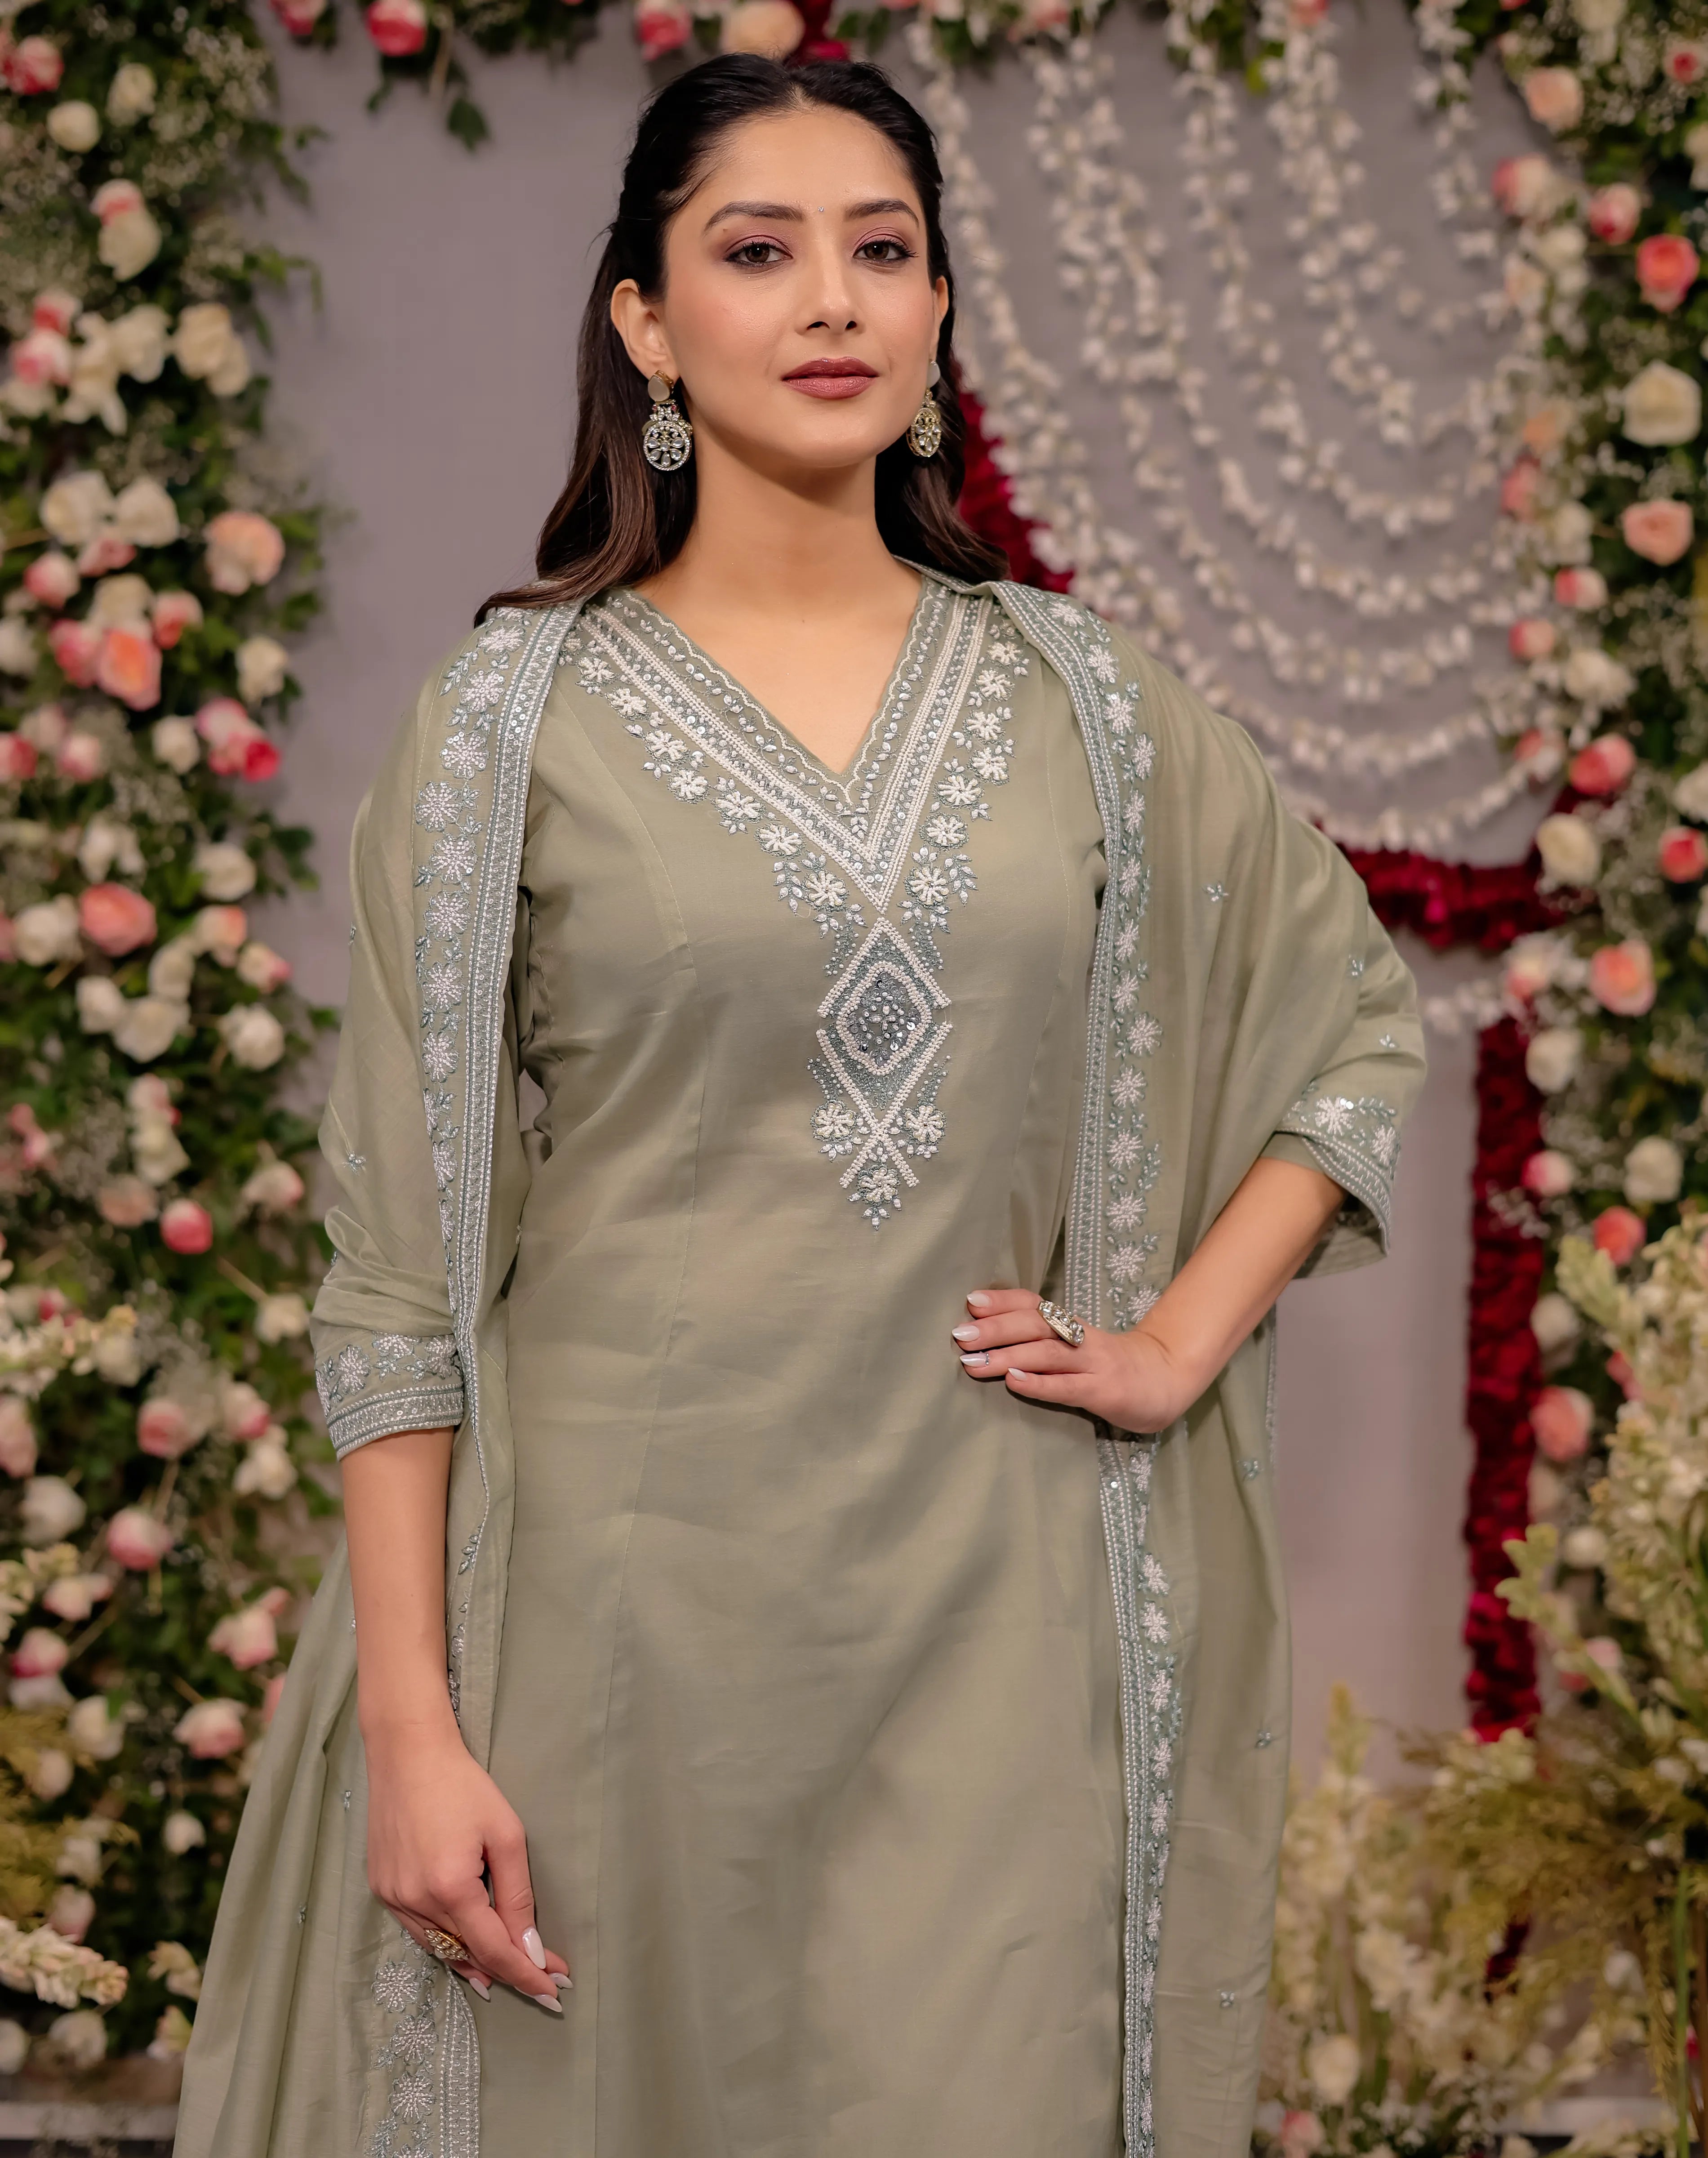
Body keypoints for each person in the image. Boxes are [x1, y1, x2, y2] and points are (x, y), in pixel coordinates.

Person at [176, 52, 1425, 2158]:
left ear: (939, 319)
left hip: (996, 1621)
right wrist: (413, 1719)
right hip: (612, 1633)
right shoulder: (509, 728)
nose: (831, 300)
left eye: (884, 251)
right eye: (756, 253)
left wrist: (1164, 1350)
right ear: (648, 323)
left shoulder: (1084, 708)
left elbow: (1343, 1028)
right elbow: (397, 1261)